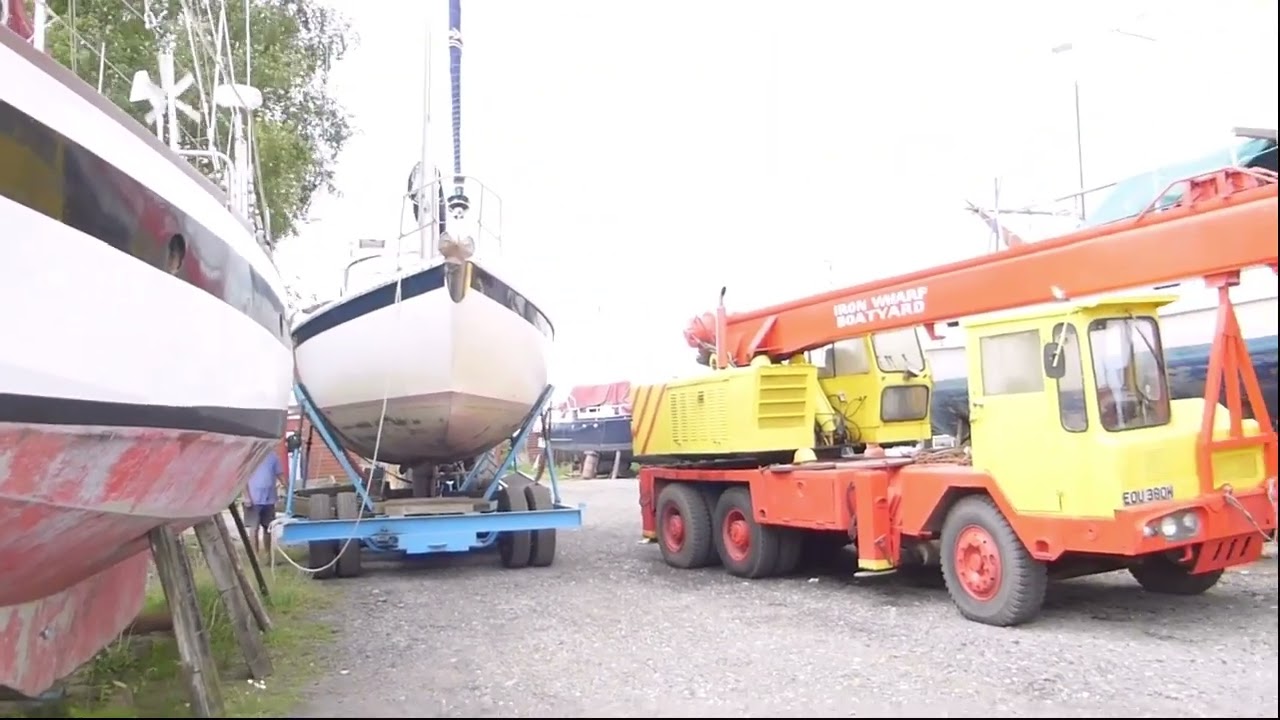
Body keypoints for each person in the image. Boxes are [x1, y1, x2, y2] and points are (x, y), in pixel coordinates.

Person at [243, 451, 285, 557]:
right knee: (254, 528)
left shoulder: (273, 457)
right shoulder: (250, 457)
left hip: (269, 499)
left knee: (268, 528)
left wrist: (289, 489)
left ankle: (268, 554)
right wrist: (247, 497)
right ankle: (255, 555)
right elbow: (242, 479)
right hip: (253, 500)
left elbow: (280, 474)